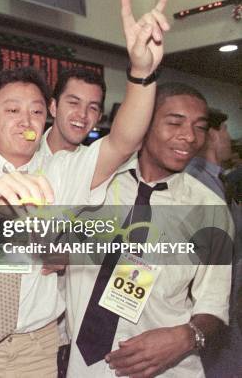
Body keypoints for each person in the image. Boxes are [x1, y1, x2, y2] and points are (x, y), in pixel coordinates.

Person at [0, 0, 171, 377]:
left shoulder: (62, 169)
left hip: (38, 346)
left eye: (36, 112)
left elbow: (124, 139)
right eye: (12, 110)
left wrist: (142, 72)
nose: (26, 121)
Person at [65, 83, 234, 377]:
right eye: (175, 123)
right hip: (83, 368)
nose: (189, 136)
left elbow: (214, 305)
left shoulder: (210, 210)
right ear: (143, 123)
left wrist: (187, 335)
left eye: (199, 127)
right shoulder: (97, 184)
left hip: (165, 371)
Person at [185, 109, 232, 201]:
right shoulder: (197, 182)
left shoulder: (213, 177)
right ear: (213, 135)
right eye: (225, 130)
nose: (229, 137)